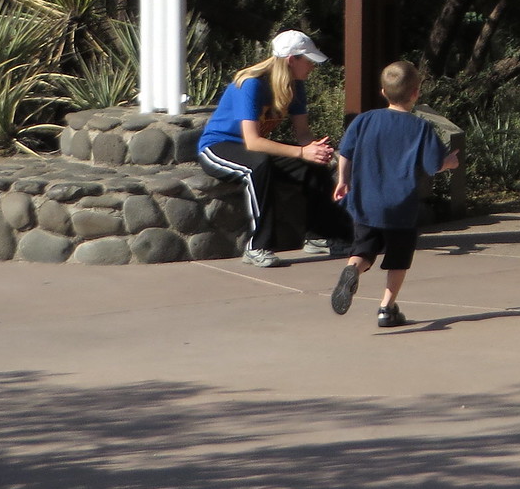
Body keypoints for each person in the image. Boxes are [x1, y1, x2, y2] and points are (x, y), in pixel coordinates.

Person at [197, 30, 348, 268]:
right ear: (292, 60)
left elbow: (303, 134)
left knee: (315, 163)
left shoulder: (295, 86)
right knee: (258, 167)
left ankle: (318, 236)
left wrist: (314, 149)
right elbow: (253, 142)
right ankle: (257, 247)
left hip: (252, 148)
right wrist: (301, 152)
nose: (312, 66)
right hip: (219, 147)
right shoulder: (252, 84)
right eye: (308, 61)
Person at [330, 60, 459, 328]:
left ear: (383, 92)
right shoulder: (421, 128)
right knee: (398, 259)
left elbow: (346, 152)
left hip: (366, 202)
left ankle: (353, 268)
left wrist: (343, 181)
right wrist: (450, 162)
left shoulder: (364, 120)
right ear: (415, 93)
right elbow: (433, 165)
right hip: (401, 208)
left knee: (363, 250)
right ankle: (386, 308)